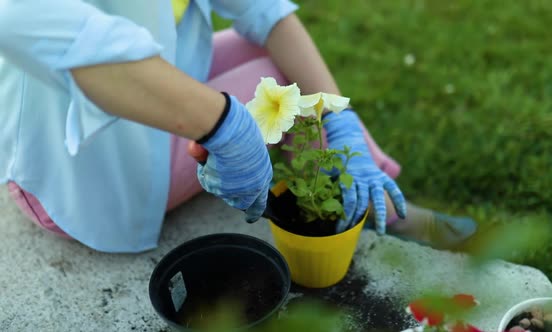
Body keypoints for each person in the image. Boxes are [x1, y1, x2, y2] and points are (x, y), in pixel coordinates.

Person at [0, 0, 475, 253]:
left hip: (157, 87)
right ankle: (384, 207)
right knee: (279, 88)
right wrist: (226, 128)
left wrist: (338, 114)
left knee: (282, 65)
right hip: (78, 165)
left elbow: (264, 11)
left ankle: (371, 185)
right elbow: (57, 33)